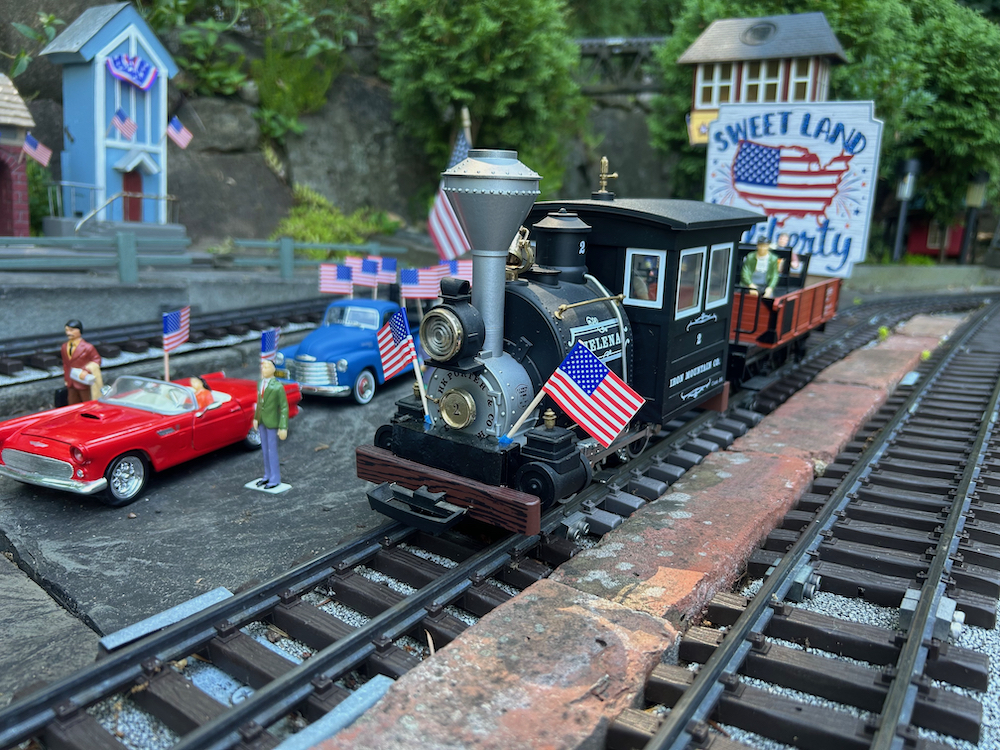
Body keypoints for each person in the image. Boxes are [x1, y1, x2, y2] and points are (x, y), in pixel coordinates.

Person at [253, 359, 289, 489]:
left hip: (272, 421)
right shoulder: (260, 383)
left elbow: (284, 407)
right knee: (264, 450)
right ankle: (267, 475)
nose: (263, 369)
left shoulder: (278, 387)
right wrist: (256, 418)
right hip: (262, 420)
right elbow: (259, 402)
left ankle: (275, 478)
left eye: (267, 367)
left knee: (272, 450)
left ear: (273, 369)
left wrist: (283, 426)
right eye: (263, 367)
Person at [61, 319, 102, 404]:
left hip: (83, 381)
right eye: (67, 330)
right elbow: (66, 364)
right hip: (71, 381)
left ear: (79, 331)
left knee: (87, 402)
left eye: (71, 330)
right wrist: (66, 378)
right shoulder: (64, 347)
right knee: (72, 402)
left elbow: (97, 360)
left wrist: (86, 371)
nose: (68, 333)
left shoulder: (88, 347)